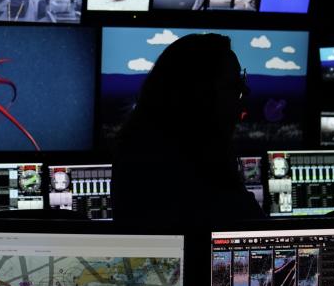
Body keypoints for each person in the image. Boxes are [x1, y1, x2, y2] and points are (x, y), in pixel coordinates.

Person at [113, 33, 264, 226]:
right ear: (200, 97)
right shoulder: (209, 184)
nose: (246, 91)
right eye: (234, 84)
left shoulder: (136, 155)